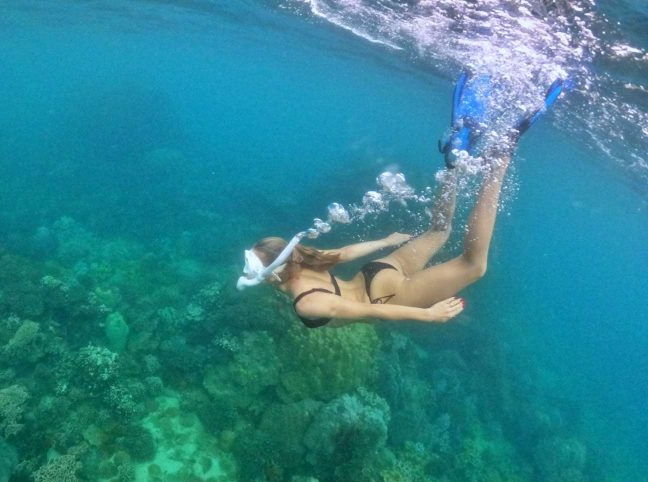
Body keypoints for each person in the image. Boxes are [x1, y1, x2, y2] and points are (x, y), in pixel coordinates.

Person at [237, 70, 565, 328]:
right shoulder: (303, 259)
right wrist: (386, 240)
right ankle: (453, 162)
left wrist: (429, 315)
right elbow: (347, 252)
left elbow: (366, 310)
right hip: (375, 271)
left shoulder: (305, 303)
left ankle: (500, 159)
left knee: (473, 265)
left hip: (385, 296)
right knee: (438, 230)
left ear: (273, 274)